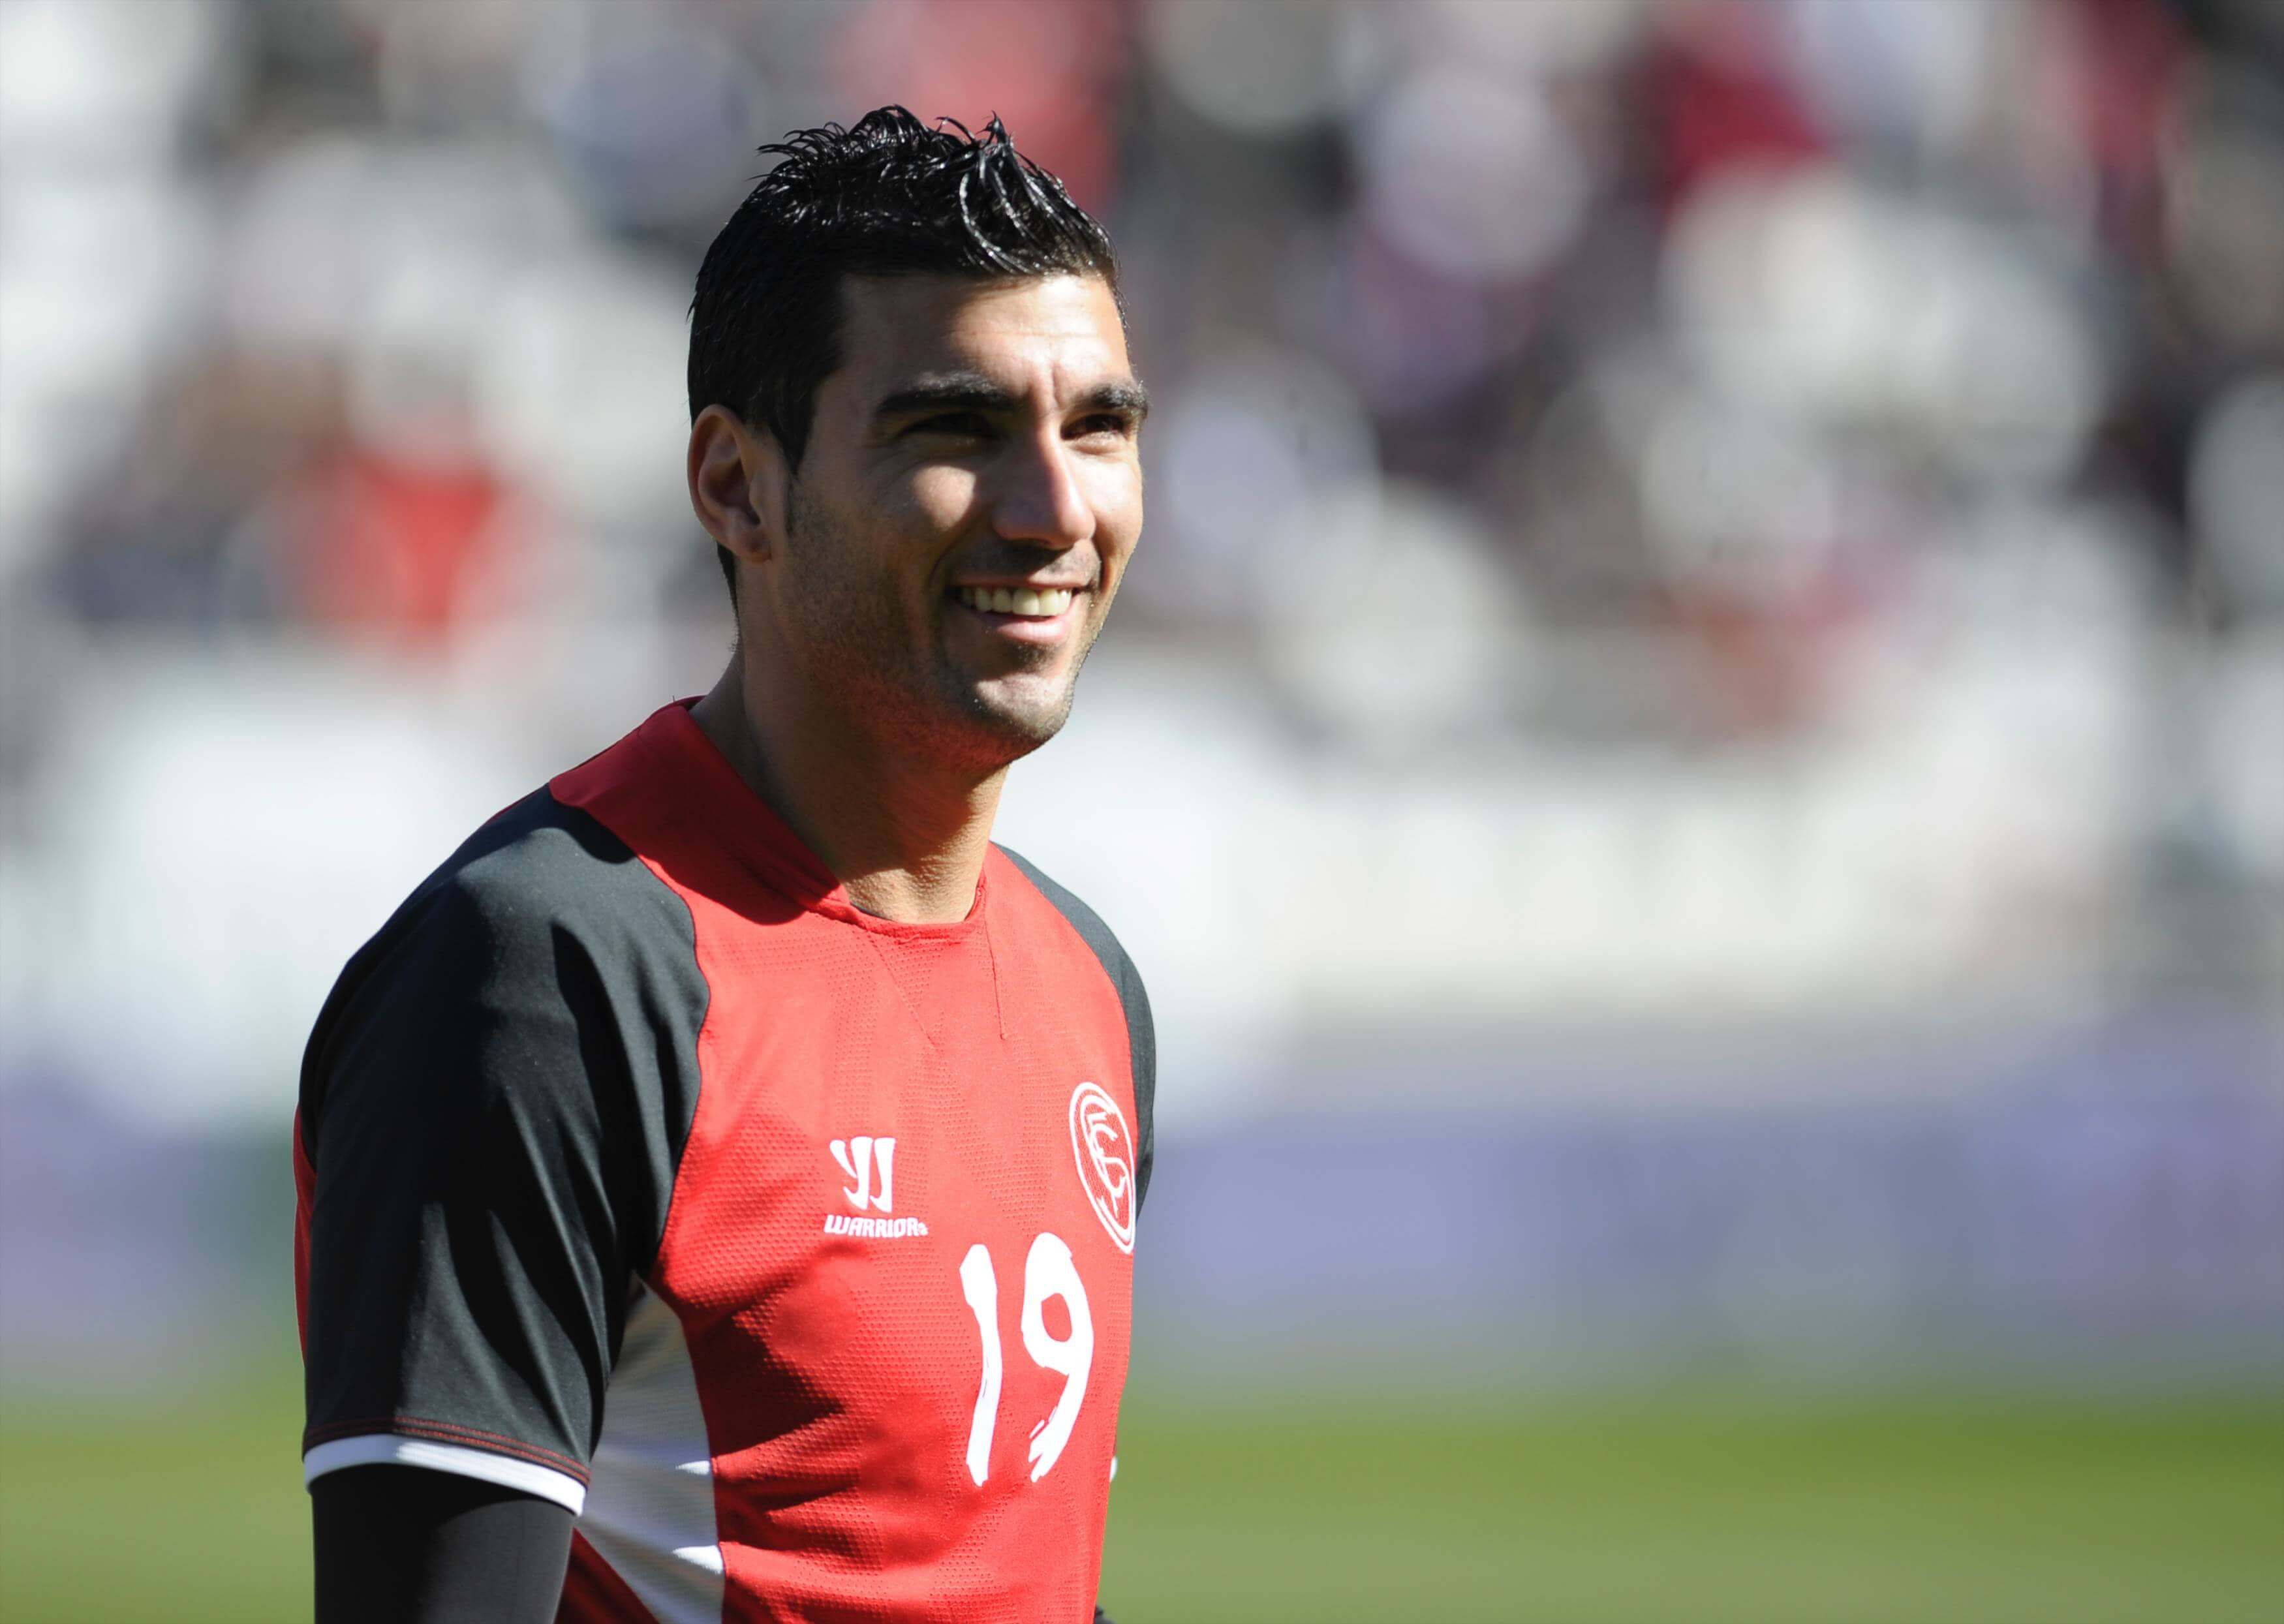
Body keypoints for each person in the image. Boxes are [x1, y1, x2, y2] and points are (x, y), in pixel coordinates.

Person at [294, 108, 1154, 1623]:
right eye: (952, 429)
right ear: (735, 487)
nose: (1053, 508)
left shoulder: (1090, 983)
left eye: (1097, 426)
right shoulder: (553, 974)